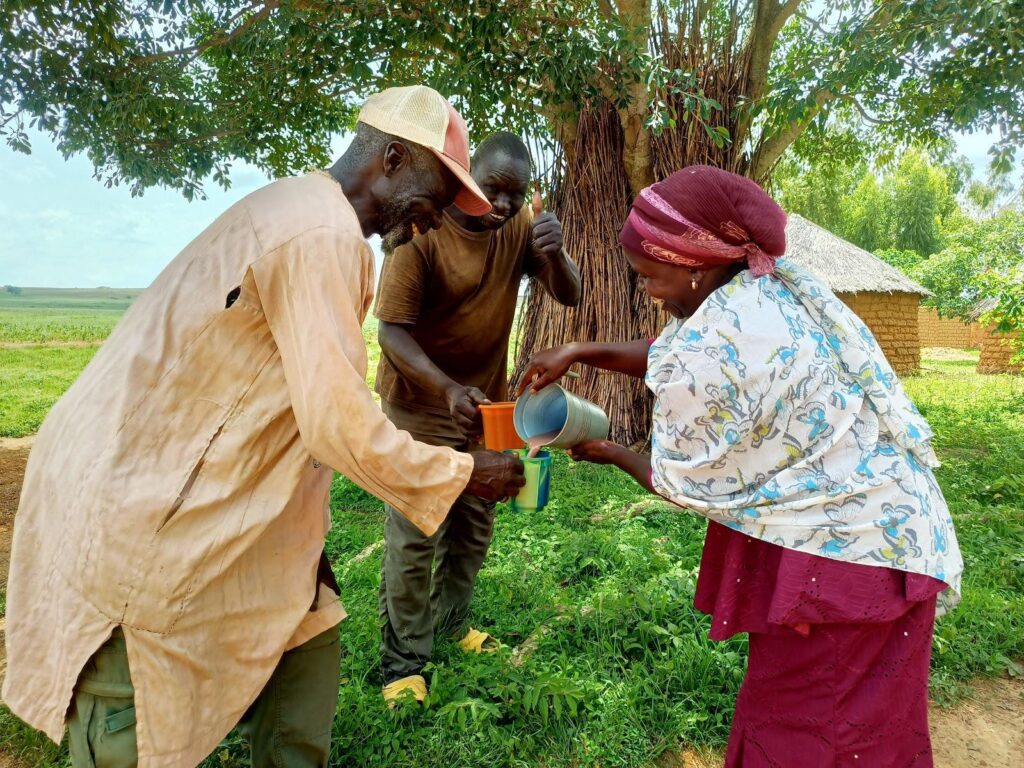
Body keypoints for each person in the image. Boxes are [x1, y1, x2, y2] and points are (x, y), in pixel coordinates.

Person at [2, 85, 526, 768]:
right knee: (136, 710)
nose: (433, 223)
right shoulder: (320, 234)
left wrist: (303, 536)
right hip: (153, 505)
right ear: (394, 156)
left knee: (307, 649)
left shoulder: (310, 219)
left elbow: (295, 403)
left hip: (212, 490)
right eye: (436, 195)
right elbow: (337, 422)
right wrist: (462, 473)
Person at [521, 166, 963, 767]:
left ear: (694, 264)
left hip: (850, 555)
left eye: (651, 276)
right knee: (860, 715)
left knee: (817, 727)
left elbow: (688, 480)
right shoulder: (760, 289)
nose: (648, 290)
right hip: (886, 527)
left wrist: (613, 452)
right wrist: (581, 350)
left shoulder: (724, 345)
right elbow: (671, 347)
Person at [373, 131, 581, 703]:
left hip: (483, 406)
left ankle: (452, 622)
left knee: (474, 521)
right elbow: (391, 330)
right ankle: (404, 662)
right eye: (494, 190)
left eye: (518, 195)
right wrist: (443, 389)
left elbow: (571, 296)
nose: (507, 205)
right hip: (420, 402)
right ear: (470, 178)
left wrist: (556, 253)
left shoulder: (516, 227)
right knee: (418, 527)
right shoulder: (423, 230)